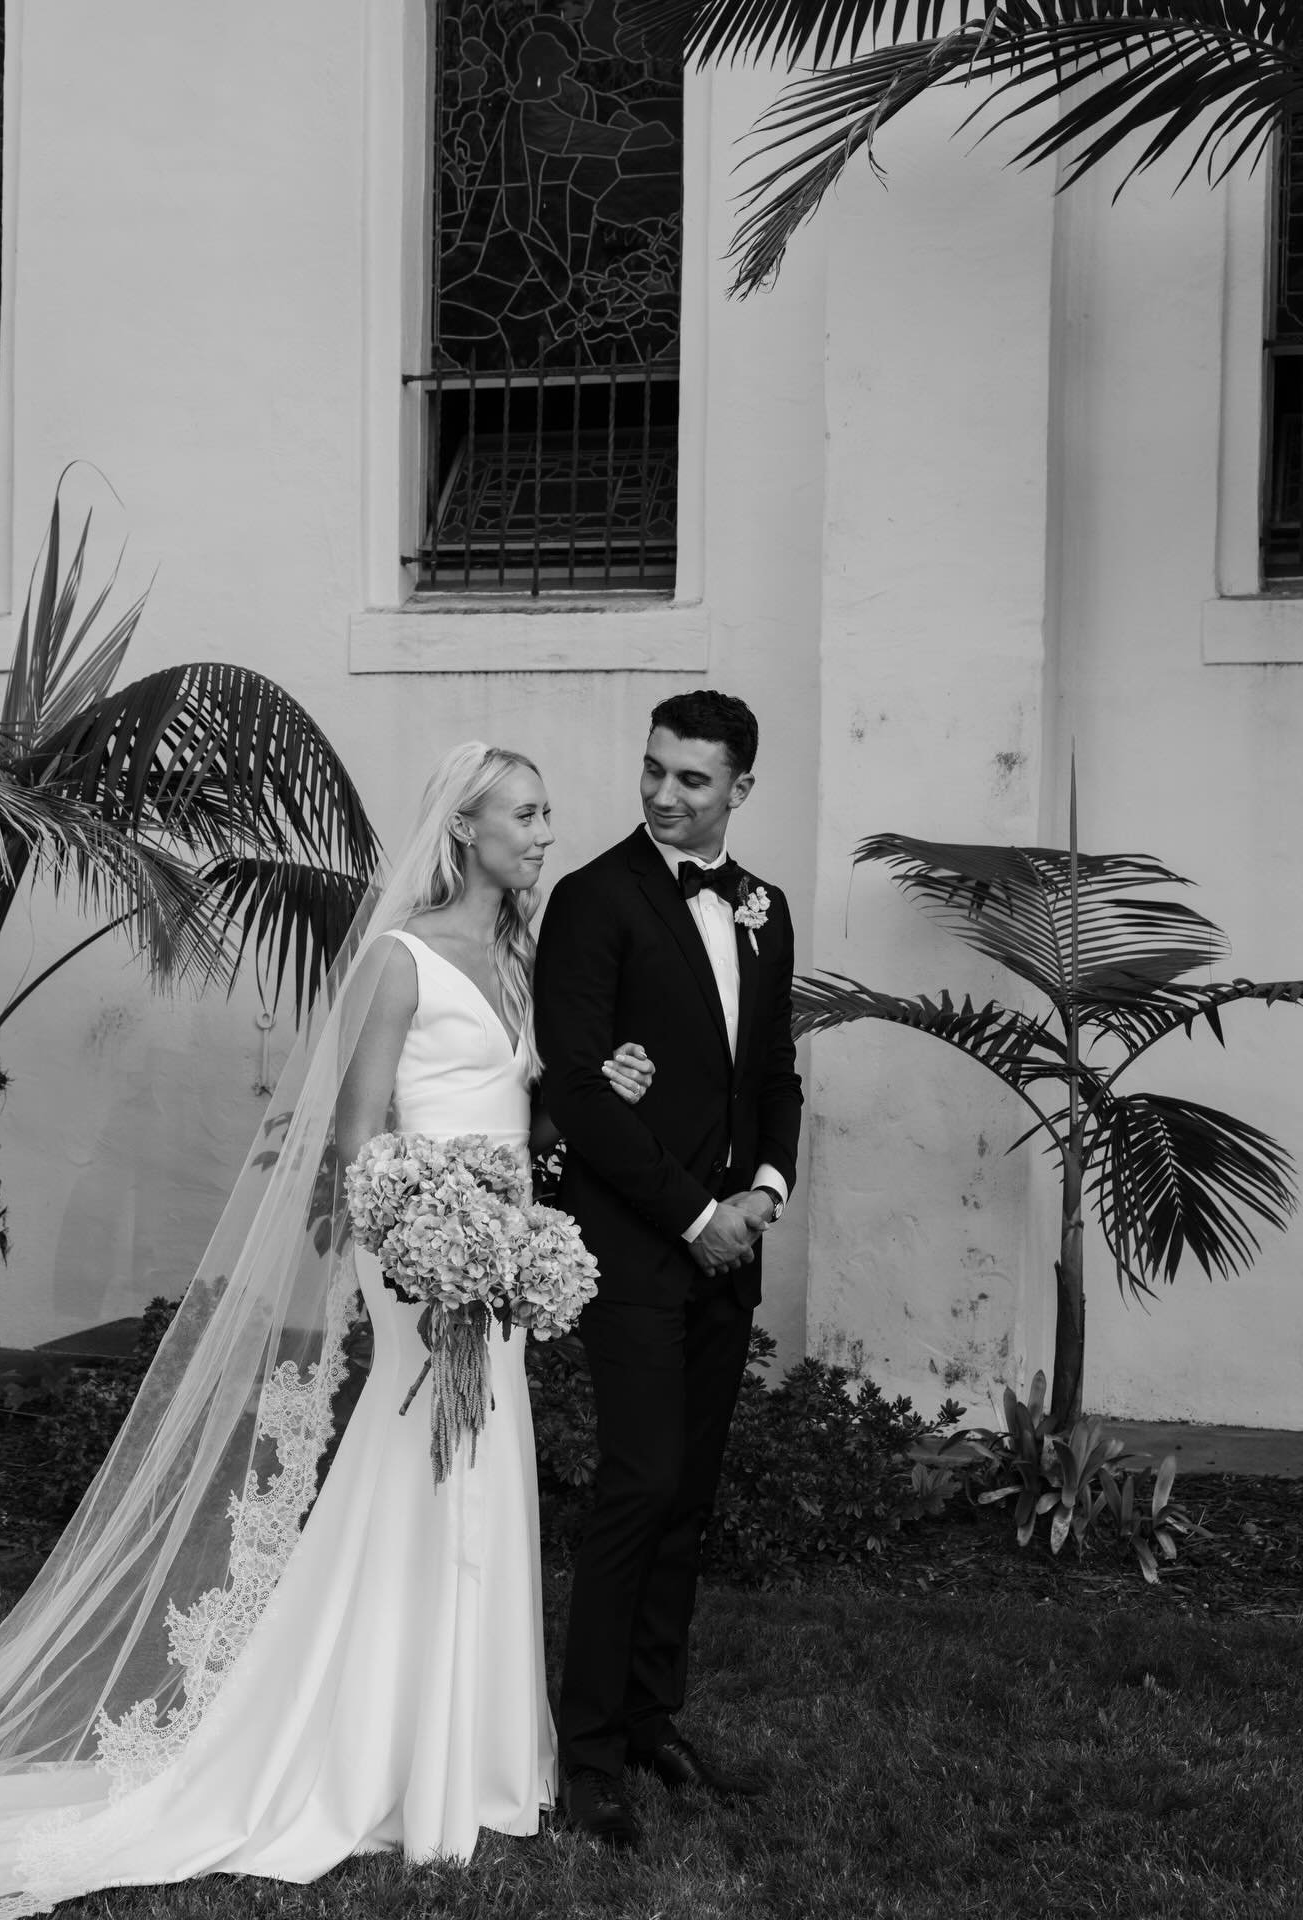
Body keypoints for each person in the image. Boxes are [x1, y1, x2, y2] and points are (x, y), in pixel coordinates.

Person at [0, 743, 654, 1914]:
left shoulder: (521, 956)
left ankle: (467, 1759)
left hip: (501, 1255)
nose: (544, 833)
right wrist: (428, 1238)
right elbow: (355, 1134)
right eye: (525, 814)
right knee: (422, 1470)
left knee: (487, 1476)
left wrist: (599, 1095)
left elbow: (517, 1109)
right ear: (465, 830)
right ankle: (378, 1756)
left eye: (547, 813)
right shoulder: (401, 956)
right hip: (421, 1254)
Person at [533, 690, 804, 1850]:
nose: (663, 793)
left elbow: (775, 1074)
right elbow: (581, 1094)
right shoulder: (593, 900)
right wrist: (694, 1213)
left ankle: (653, 1719)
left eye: (693, 779)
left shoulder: (764, 908)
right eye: (655, 770)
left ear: (741, 788)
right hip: (637, 1244)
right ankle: (587, 1751)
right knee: (637, 1488)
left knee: (688, 1499)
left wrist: (765, 1194)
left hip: (729, 1245)